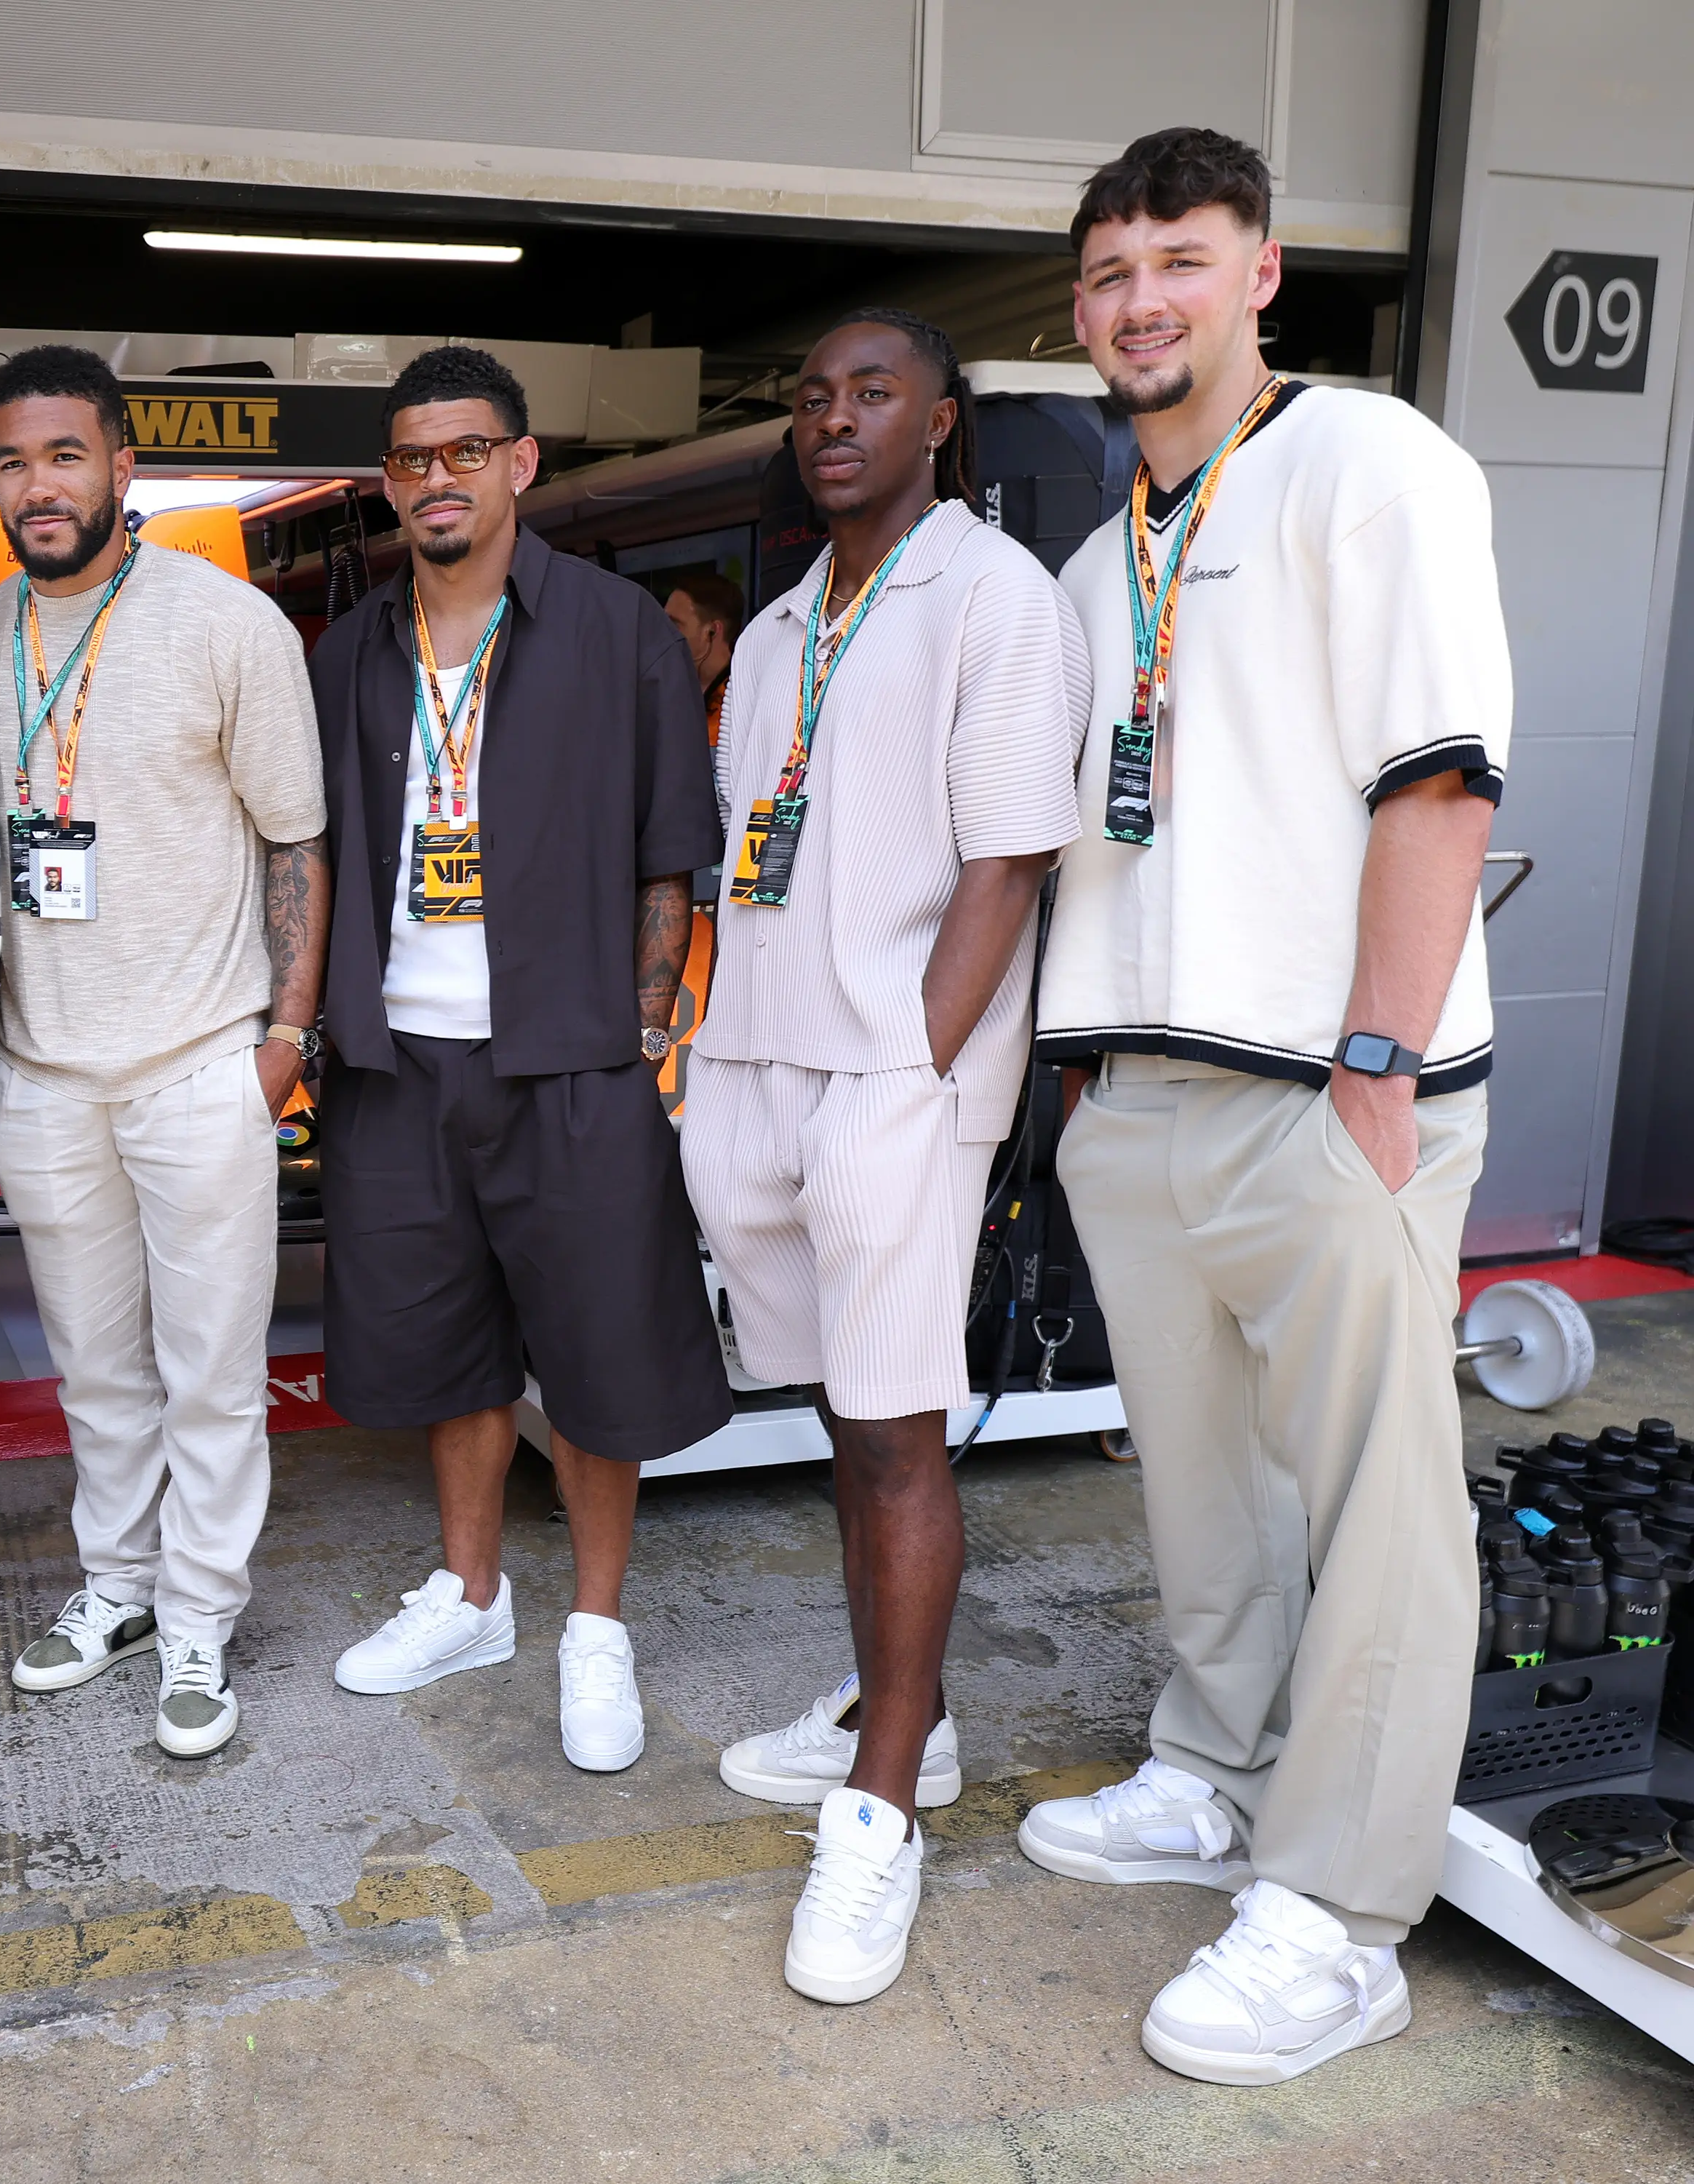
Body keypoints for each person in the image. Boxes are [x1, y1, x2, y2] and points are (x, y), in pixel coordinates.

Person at [1019, 128, 1509, 2085]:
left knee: (1383, 1508)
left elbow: (1440, 780)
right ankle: (1218, 1768)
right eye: (1110, 270)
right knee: (1203, 1490)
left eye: (1180, 259)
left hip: (1327, 1088)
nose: (1142, 298)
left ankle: (1340, 1908)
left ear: (1262, 272)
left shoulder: (1365, 463)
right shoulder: (1091, 554)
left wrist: (1380, 1068)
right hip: (1139, 1089)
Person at [680, 310, 1087, 2004]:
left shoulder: (992, 594)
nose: (830, 417)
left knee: (901, 1430)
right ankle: (881, 1714)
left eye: (869, 393)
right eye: (809, 394)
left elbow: (1005, 861)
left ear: (940, 419)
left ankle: (886, 1796)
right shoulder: (781, 623)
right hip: (759, 1059)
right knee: (845, 1413)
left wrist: (909, 1075)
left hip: (890, 1074)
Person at [313, 345, 730, 1771]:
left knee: (599, 1347)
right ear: (391, 482)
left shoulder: (618, 635)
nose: (440, 478)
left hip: (570, 1059)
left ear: (521, 463)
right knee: (450, 1345)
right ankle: (474, 1593)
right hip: (402, 1058)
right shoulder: (353, 651)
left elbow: (674, 850)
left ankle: (594, 1627)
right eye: (415, 458)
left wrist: (643, 1020)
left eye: (466, 451)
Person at [0, 346, 327, 1758]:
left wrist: (283, 1042)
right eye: (12, 460)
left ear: (123, 466)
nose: (38, 485)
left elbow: (296, 836)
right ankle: (115, 1587)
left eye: (64, 455)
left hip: (197, 1066)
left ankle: (197, 1617)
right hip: (40, 1072)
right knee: (95, 1369)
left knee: (210, 1376)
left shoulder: (228, 625)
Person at [662, 571, 743, 749]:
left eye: (674, 625)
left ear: (712, 631)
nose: (663, 635)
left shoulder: (743, 700)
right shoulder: (670, 692)